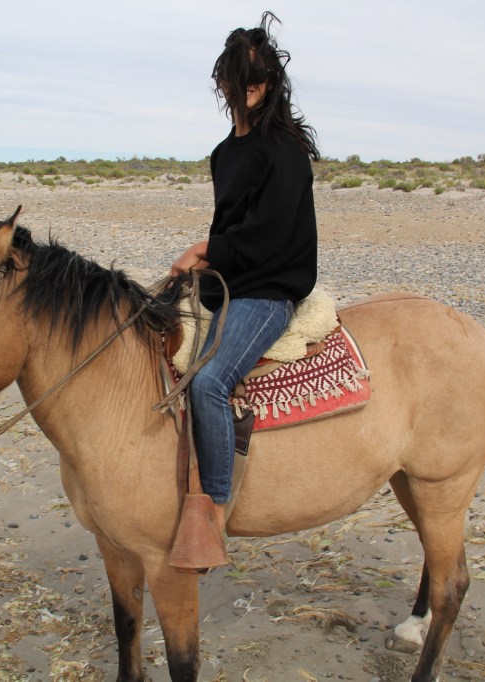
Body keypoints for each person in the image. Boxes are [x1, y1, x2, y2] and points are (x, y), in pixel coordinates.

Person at [168, 11, 320, 570]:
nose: (251, 86)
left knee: (209, 383)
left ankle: (213, 513)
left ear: (270, 81)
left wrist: (203, 250)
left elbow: (269, 234)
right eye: (241, 76)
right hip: (227, 287)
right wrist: (205, 261)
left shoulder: (284, 150)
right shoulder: (224, 153)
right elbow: (232, 225)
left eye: (259, 76)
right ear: (224, 82)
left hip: (269, 289)